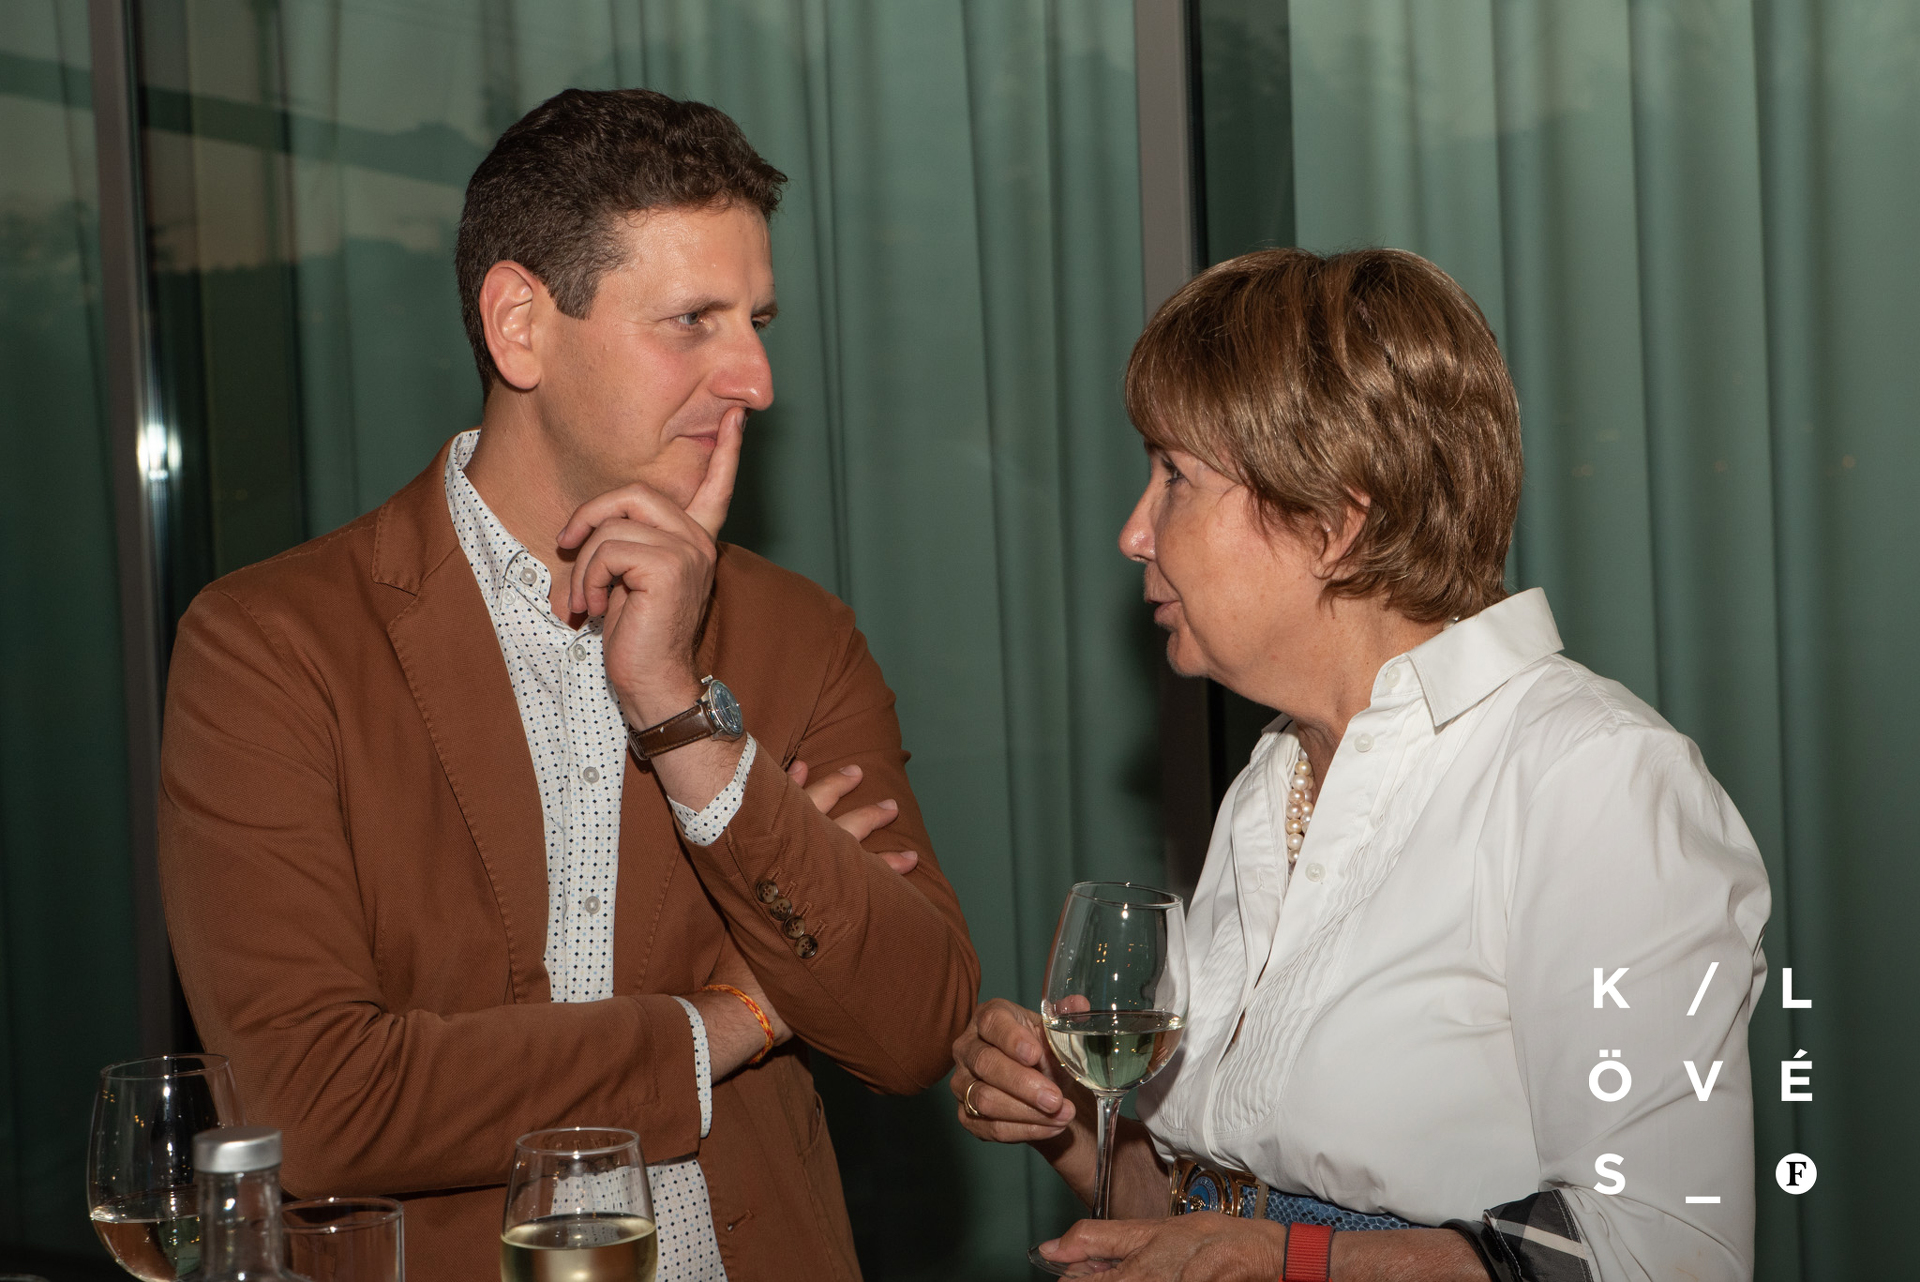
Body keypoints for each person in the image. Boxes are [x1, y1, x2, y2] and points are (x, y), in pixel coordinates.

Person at [159, 88, 979, 1282]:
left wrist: (683, 718)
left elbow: (912, 1027)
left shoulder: (798, 635)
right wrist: (731, 1021)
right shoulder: (273, 646)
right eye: (692, 320)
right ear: (520, 326)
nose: (754, 377)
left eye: (756, 320)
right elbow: (318, 1104)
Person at [950, 248, 1769, 1281]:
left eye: (1175, 477)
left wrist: (1293, 1259)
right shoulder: (1278, 774)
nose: (1134, 532)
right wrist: (1069, 1119)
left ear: (1333, 524)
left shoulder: (1595, 781)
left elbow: (1666, 1252)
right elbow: (1210, 1219)